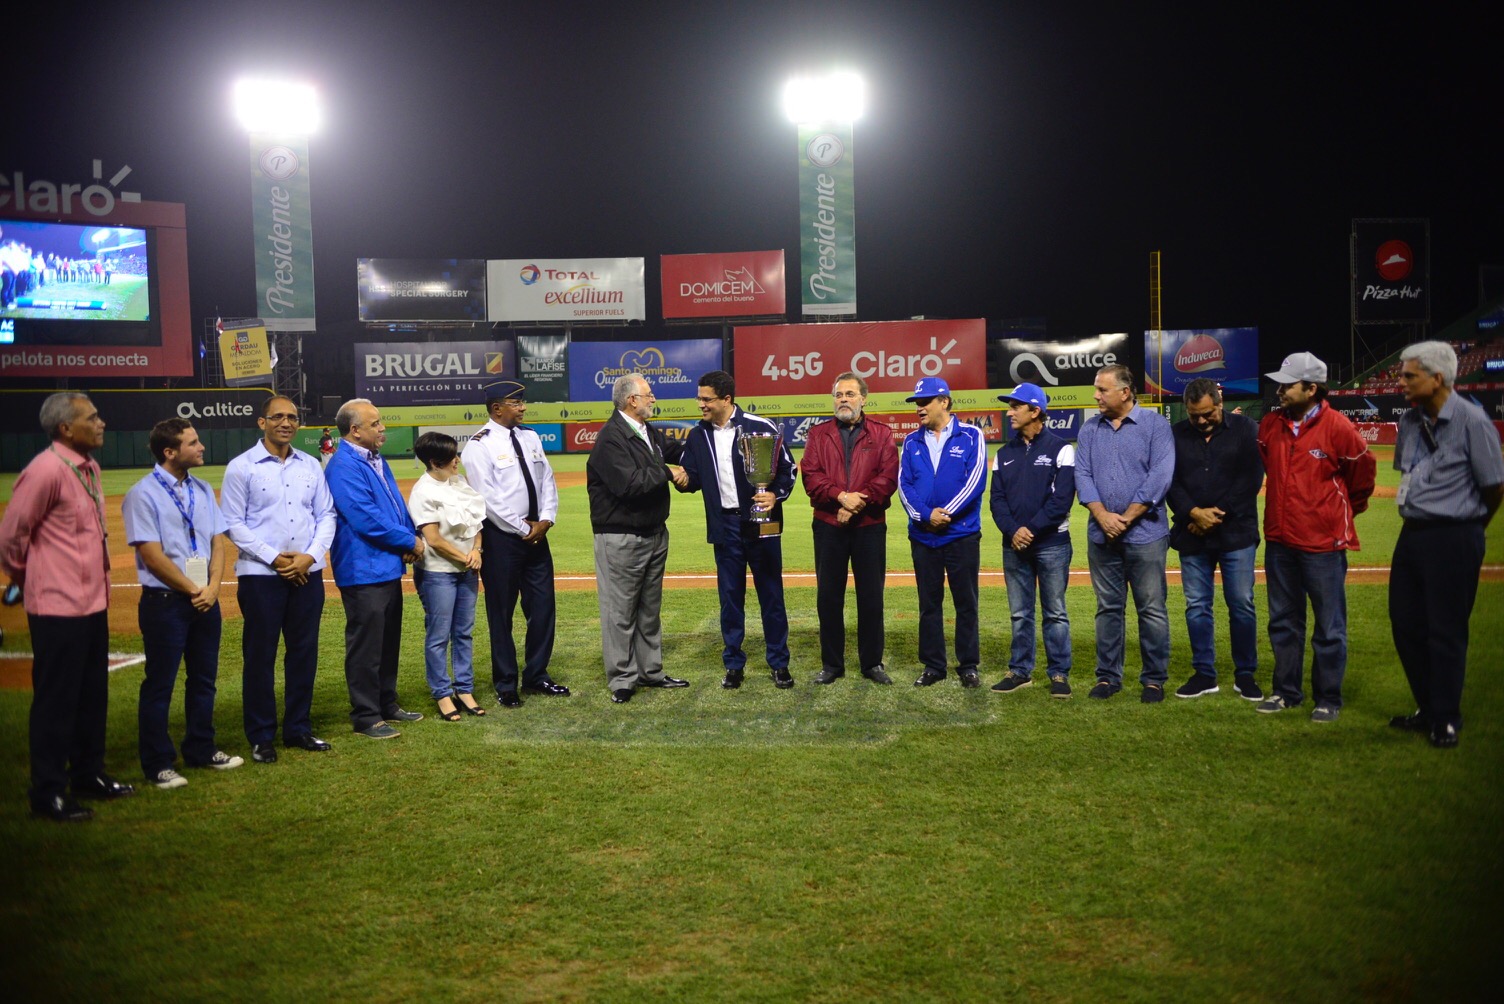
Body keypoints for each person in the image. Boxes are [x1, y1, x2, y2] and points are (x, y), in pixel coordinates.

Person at [0, 393, 133, 822]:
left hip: (92, 603)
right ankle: (48, 790)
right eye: (92, 418)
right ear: (65, 429)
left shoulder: (88, 468)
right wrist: (31, 580)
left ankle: (88, 774)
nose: (102, 423)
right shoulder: (44, 472)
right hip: (56, 607)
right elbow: (10, 539)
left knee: (92, 695)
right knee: (57, 701)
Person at [1387, 341, 1504, 748]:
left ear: (1437, 379)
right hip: (1412, 535)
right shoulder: (1408, 420)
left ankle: (1446, 717)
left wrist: (1470, 528)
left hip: (1454, 535)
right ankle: (1429, 707)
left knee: (1446, 630)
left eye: (1409, 375)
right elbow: (1407, 473)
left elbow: (1494, 487)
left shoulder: (1473, 421)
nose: (1400, 382)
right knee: (1405, 624)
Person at [1255, 352, 1376, 722]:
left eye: (1289, 384)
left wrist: (1331, 515)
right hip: (1279, 540)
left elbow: (1362, 478)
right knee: (1283, 622)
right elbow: (1268, 468)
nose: (1280, 390)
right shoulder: (1270, 425)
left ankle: (1328, 698)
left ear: (1311, 388)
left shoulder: (1338, 427)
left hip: (1323, 545)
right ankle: (1286, 692)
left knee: (1329, 626)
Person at [122, 418, 241, 788]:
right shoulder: (143, 494)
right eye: (192, 442)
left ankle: (201, 748)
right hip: (166, 602)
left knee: (204, 680)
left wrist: (213, 586)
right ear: (170, 452)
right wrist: (195, 589)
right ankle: (157, 762)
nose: (201, 446)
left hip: (204, 599)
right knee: (160, 683)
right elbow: (151, 554)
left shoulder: (202, 489)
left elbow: (217, 541)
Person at [221, 396, 337, 765]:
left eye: (292, 417)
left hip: (307, 573)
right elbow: (232, 523)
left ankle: (298, 728)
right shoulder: (242, 467)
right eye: (278, 417)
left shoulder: (310, 466)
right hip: (260, 576)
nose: (286, 423)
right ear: (262, 422)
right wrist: (274, 557)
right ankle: (260, 735)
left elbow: (327, 514)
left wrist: (309, 556)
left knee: (303, 653)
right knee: (260, 656)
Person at [678, 370, 797, 689]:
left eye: (706, 399)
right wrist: (680, 477)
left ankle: (779, 663)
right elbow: (693, 478)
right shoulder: (697, 435)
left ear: (726, 399)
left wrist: (775, 493)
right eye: (699, 398)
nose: (700, 404)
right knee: (730, 599)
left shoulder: (761, 427)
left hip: (761, 523)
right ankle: (733, 664)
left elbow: (788, 470)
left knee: (771, 595)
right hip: (725, 527)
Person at [459, 379, 566, 707]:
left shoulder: (531, 437)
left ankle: (537, 675)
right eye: (515, 403)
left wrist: (546, 519)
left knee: (543, 608)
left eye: (522, 402)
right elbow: (487, 498)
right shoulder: (479, 446)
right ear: (496, 408)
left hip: (537, 537)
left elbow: (546, 479)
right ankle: (506, 684)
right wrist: (523, 527)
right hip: (502, 540)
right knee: (501, 613)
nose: (522, 407)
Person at [325, 398, 426, 739]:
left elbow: (396, 505)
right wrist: (409, 542)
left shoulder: (374, 460)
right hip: (362, 566)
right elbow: (365, 517)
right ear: (354, 431)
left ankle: (386, 702)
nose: (382, 428)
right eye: (375, 424)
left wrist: (409, 535)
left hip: (384, 565)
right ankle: (366, 715)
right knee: (366, 646)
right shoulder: (342, 467)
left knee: (386, 642)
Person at [586, 374, 690, 703]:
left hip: (654, 532)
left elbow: (681, 451)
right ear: (632, 400)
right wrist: (667, 471)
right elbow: (629, 484)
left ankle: (650, 671)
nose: (653, 398)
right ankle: (622, 679)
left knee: (648, 610)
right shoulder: (610, 438)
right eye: (648, 394)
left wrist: (713, 437)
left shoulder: (648, 431)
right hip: (621, 536)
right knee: (619, 611)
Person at [1075, 364, 1175, 703]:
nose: (1096, 396)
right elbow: (1083, 475)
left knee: (1151, 608)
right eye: (1096, 389)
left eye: (1102, 390)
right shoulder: (1090, 429)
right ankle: (1107, 678)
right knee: (1107, 608)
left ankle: (1153, 679)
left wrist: (1127, 517)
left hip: (1146, 534)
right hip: (1102, 535)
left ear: (1125, 392)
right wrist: (1102, 515)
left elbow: (1160, 476)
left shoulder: (1155, 426)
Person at [1167, 378, 1266, 701]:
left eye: (1207, 413)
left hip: (1236, 533)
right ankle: (1204, 673)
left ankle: (1245, 673)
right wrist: (1193, 512)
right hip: (1193, 535)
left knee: (1241, 604)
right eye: (1194, 415)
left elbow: (1250, 479)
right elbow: (1170, 482)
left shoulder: (1245, 428)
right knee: (1197, 607)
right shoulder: (1177, 434)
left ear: (1219, 403)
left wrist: (1211, 515)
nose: (1201, 420)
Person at [800, 372, 901, 685]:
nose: (843, 399)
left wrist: (859, 502)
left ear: (864, 398)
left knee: (871, 596)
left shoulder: (882, 434)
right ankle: (832, 664)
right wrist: (840, 497)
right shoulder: (818, 434)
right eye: (838, 394)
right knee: (829, 597)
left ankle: (872, 663)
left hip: (869, 525)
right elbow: (811, 477)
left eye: (850, 394)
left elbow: (888, 478)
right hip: (829, 524)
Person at [896, 377, 988, 688]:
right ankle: (933, 665)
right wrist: (925, 515)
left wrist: (944, 514)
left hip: (961, 534)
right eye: (917, 403)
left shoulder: (972, 435)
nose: (919, 408)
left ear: (944, 402)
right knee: (929, 604)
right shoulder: (911, 441)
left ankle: (968, 665)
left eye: (925, 402)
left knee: (966, 602)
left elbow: (975, 482)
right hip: (923, 536)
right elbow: (904, 485)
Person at [988, 383, 1076, 698]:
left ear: (1035, 411)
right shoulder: (1003, 453)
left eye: (1015, 406)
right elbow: (996, 501)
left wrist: (1030, 530)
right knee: (1019, 612)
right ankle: (1020, 670)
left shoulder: (1062, 449)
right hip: (1014, 545)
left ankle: (1059, 674)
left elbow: (1062, 500)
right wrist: (1014, 531)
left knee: (1054, 611)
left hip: (1051, 544)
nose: (1009, 412)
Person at [409, 431, 488, 721]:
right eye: (451, 457)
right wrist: (467, 557)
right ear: (434, 461)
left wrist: (477, 550)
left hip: (468, 569)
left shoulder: (460, 482)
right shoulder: (423, 491)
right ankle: (442, 693)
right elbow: (434, 540)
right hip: (438, 573)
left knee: (464, 632)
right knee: (438, 636)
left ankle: (464, 689)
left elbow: (476, 522)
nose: (457, 460)